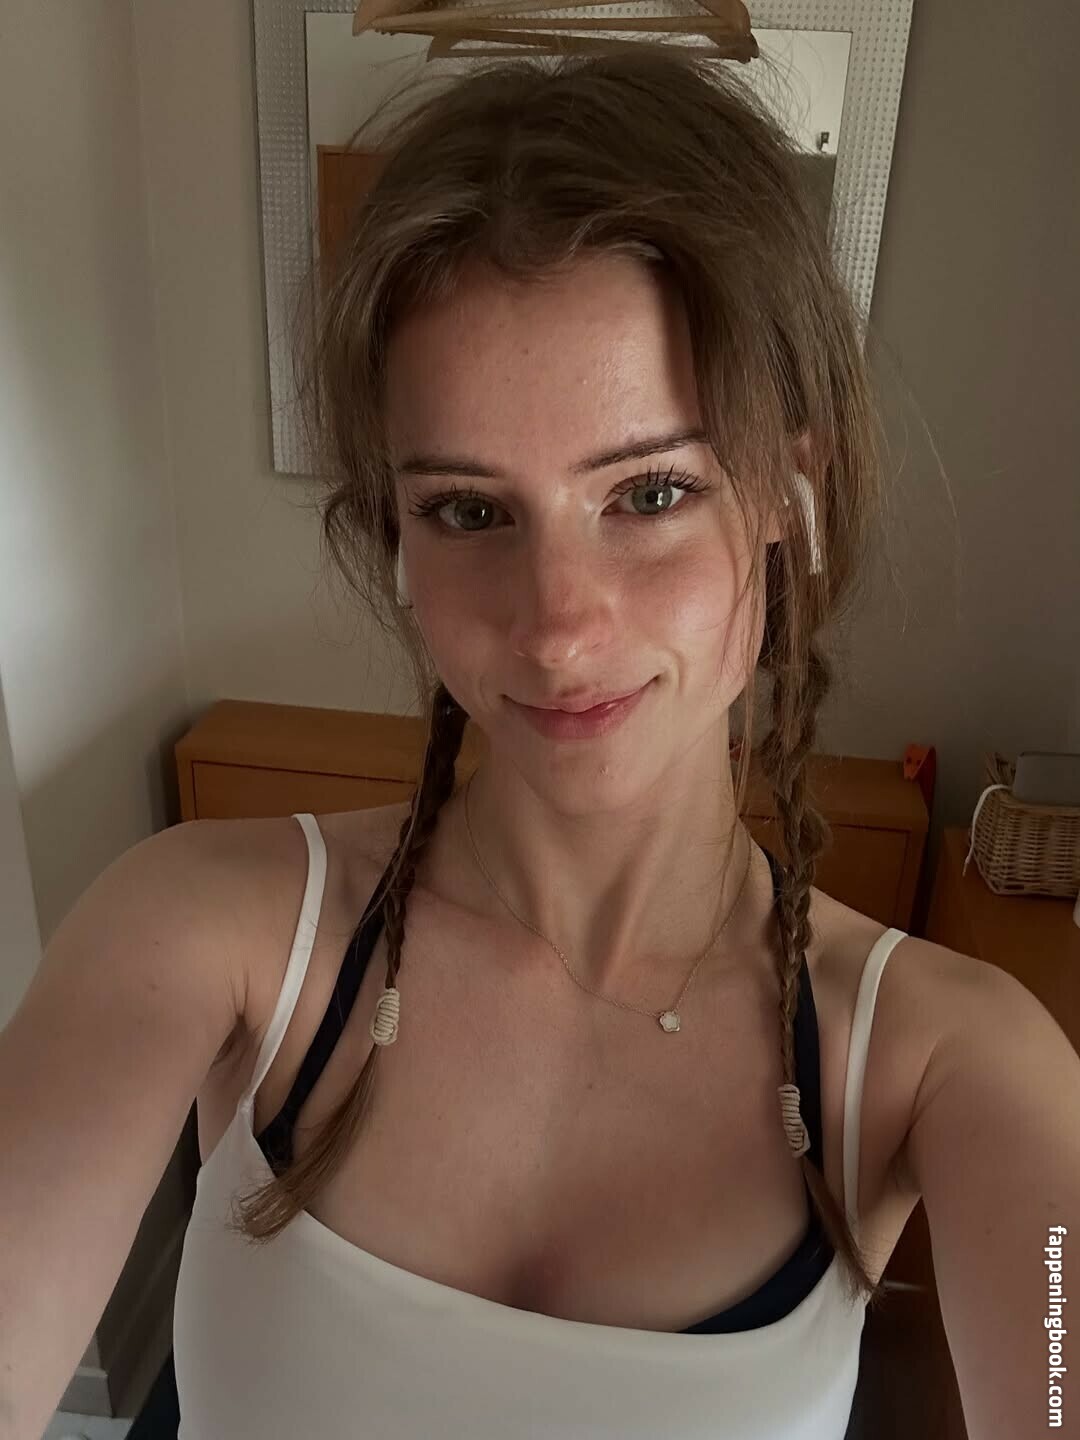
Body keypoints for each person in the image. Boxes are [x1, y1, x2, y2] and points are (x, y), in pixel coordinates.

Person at [2, 45, 1077, 1440]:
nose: (560, 628)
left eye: (651, 492)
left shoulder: (948, 1060)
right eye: (469, 511)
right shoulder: (203, 931)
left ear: (784, 493)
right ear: (397, 535)